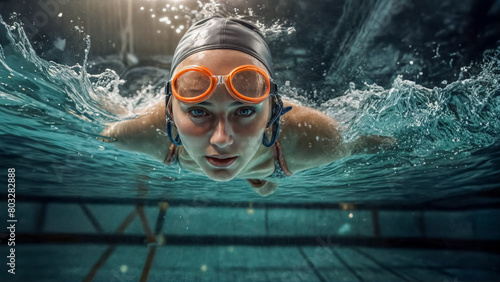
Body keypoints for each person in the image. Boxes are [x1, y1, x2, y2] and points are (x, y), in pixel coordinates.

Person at [99, 16, 394, 196]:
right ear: (169, 113)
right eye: (199, 111)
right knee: (262, 182)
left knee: (265, 183)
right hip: (261, 161)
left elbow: (374, 143)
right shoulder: (142, 131)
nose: (221, 139)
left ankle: (258, 175)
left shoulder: (313, 139)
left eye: (244, 110)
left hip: (271, 160)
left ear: (273, 111)